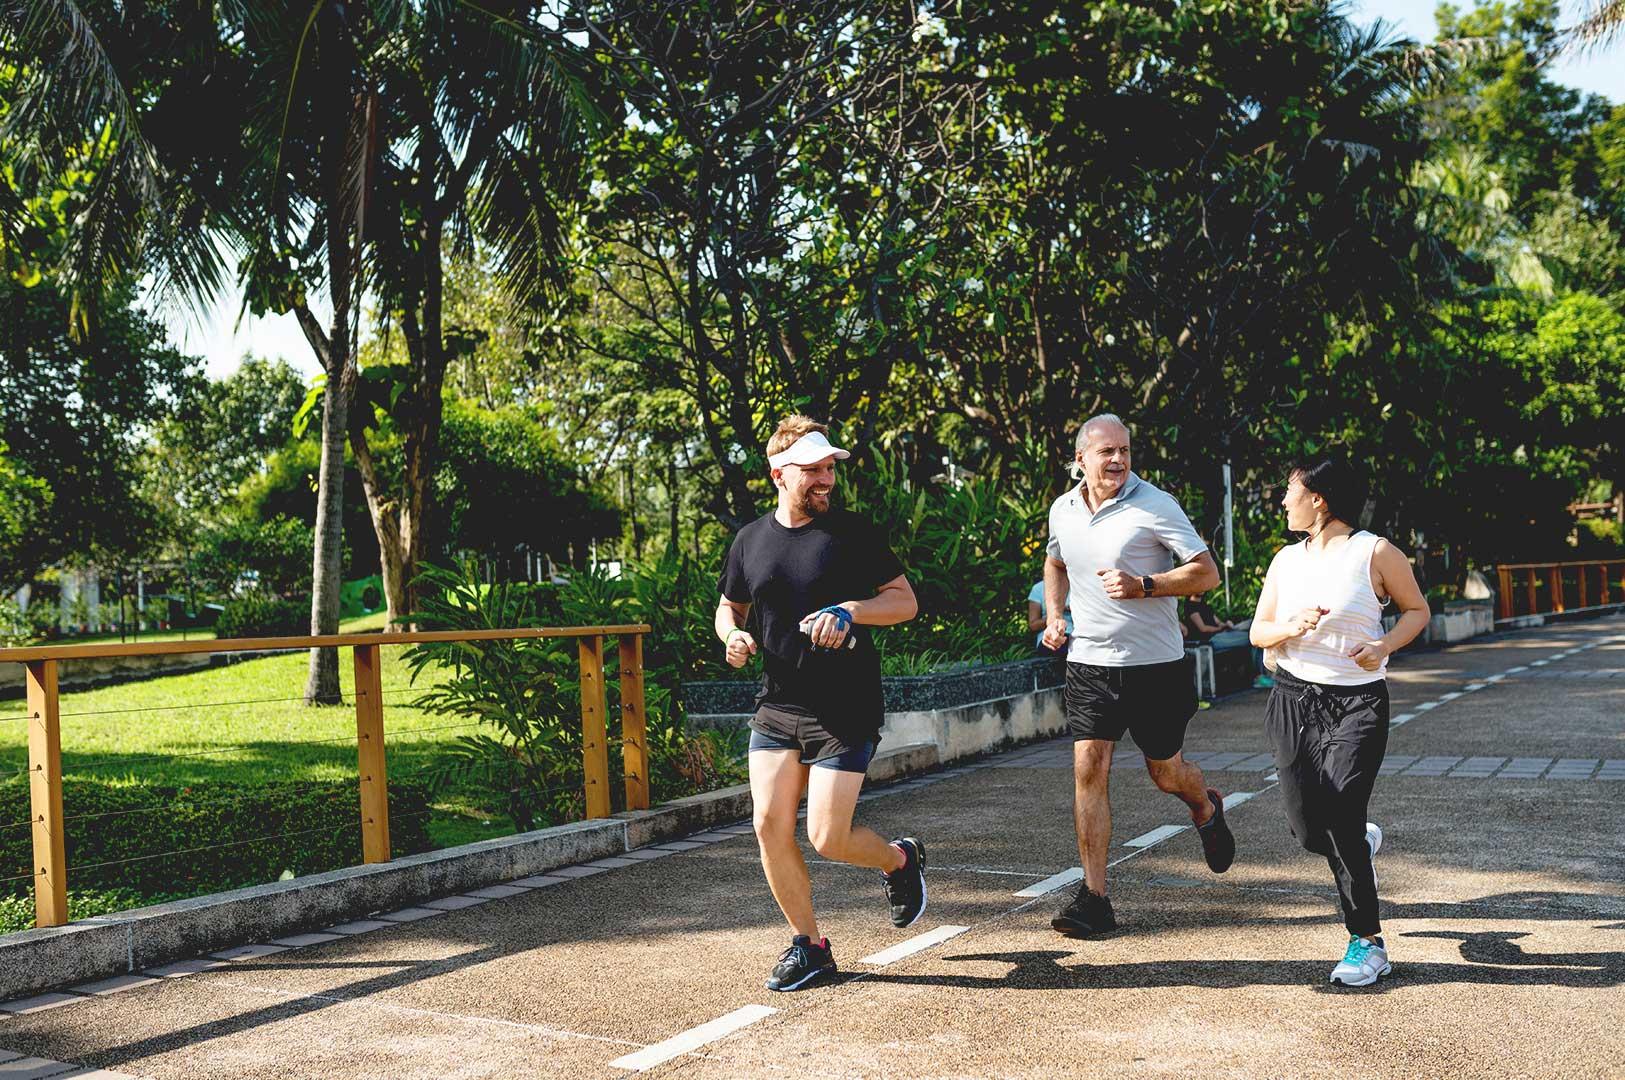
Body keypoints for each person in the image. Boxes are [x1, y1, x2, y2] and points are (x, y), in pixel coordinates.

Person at [715, 414, 927, 992]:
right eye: (813, 470)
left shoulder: (853, 533)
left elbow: (904, 602)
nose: (826, 479)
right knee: (767, 824)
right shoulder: (750, 541)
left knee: (828, 838)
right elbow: (729, 605)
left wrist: (851, 610)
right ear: (779, 474)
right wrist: (731, 635)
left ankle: (900, 861)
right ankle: (810, 946)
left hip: (845, 706)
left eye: (830, 468)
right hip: (779, 704)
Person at [1041, 413, 1236, 937]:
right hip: (1089, 664)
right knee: (1089, 769)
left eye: (1124, 450)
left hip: (1154, 668)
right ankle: (1094, 897)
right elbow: (1056, 563)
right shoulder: (1064, 510)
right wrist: (1057, 616)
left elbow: (1206, 572)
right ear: (1080, 458)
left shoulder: (1155, 504)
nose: (1118, 460)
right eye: (1106, 452)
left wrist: (1144, 584)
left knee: (1165, 773)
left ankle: (1204, 805)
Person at [1249, 457, 1428, 987]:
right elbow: (1259, 633)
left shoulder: (1374, 552)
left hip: (1356, 705)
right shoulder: (1285, 560)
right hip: (1291, 700)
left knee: (1342, 813)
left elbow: (1417, 610)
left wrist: (1384, 645)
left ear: (1319, 499)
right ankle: (1359, 843)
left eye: (1290, 491)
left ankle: (1367, 942)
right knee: (1309, 830)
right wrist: (1289, 625)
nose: (1284, 501)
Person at [1027, 580, 1073, 654]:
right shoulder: (1038, 588)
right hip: (1049, 639)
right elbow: (1033, 625)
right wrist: (1056, 616)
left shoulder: (1075, 584)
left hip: (1076, 636)